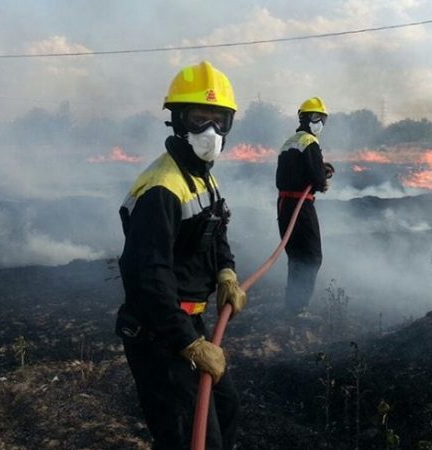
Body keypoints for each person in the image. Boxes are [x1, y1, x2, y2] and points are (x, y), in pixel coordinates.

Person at [115, 61, 247, 450]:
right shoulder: (162, 189)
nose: (210, 132)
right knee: (190, 436)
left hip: (188, 323)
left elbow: (216, 230)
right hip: (158, 334)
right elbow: (147, 278)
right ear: (177, 121)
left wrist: (226, 272)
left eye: (218, 121)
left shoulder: (202, 175)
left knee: (226, 409)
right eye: (198, 119)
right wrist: (188, 343)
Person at [275, 97, 334, 315]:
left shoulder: (289, 141)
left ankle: (293, 304)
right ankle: (299, 306)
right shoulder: (310, 141)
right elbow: (316, 178)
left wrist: (319, 169)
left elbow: (294, 170)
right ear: (305, 118)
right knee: (311, 256)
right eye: (317, 117)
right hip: (301, 206)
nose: (320, 123)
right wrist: (322, 177)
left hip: (284, 205)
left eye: (323, 119)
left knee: (296, 255)